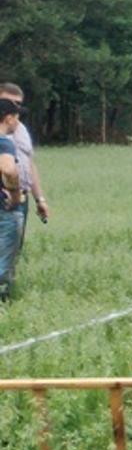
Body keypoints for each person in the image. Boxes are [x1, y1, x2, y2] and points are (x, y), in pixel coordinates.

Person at [0, 84, 49, 291]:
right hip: (6, 198)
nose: (15, 109)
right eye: (9, 104)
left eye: (18, 105)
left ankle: (7, 295)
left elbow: (28, 164)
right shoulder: (4, 137)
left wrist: (39, 199)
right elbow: (8, 168)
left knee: (12, 250)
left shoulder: (21, 131)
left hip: (21, 197)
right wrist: (11, 191)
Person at [0, 99, 27, 301]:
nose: (18, 122)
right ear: (9, 118)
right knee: (3, 266)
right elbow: (9, 169)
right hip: (3, 210)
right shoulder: (4, 142)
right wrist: (16, 193)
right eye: (17, 117)